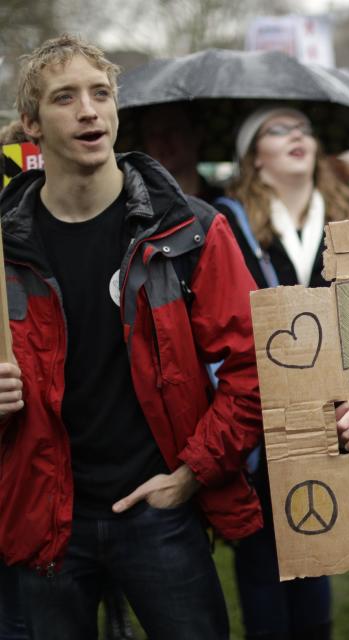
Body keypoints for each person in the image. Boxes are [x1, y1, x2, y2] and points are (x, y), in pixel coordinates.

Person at [0, 34, 262, 638]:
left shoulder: (189, 228)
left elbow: (256, 365)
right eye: (66, 98)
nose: (89, 110)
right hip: (44, 515)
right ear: (31, 124)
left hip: (159, 513)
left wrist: (192, 474)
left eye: (101, 94)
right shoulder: (4, 247)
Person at [216, 105, 349, 640]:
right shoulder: (227, 224)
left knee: (320, 542)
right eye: (277, 131)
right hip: (260, 415)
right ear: (253, 159)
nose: (296, 136)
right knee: (263, 557)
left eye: (303, 129)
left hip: (338, 414)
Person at [139, 102, 224, 203]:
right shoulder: (138, 207)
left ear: (197, 134)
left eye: (171, 129)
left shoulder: (225, 207)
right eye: (152, 133)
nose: (161, 140)